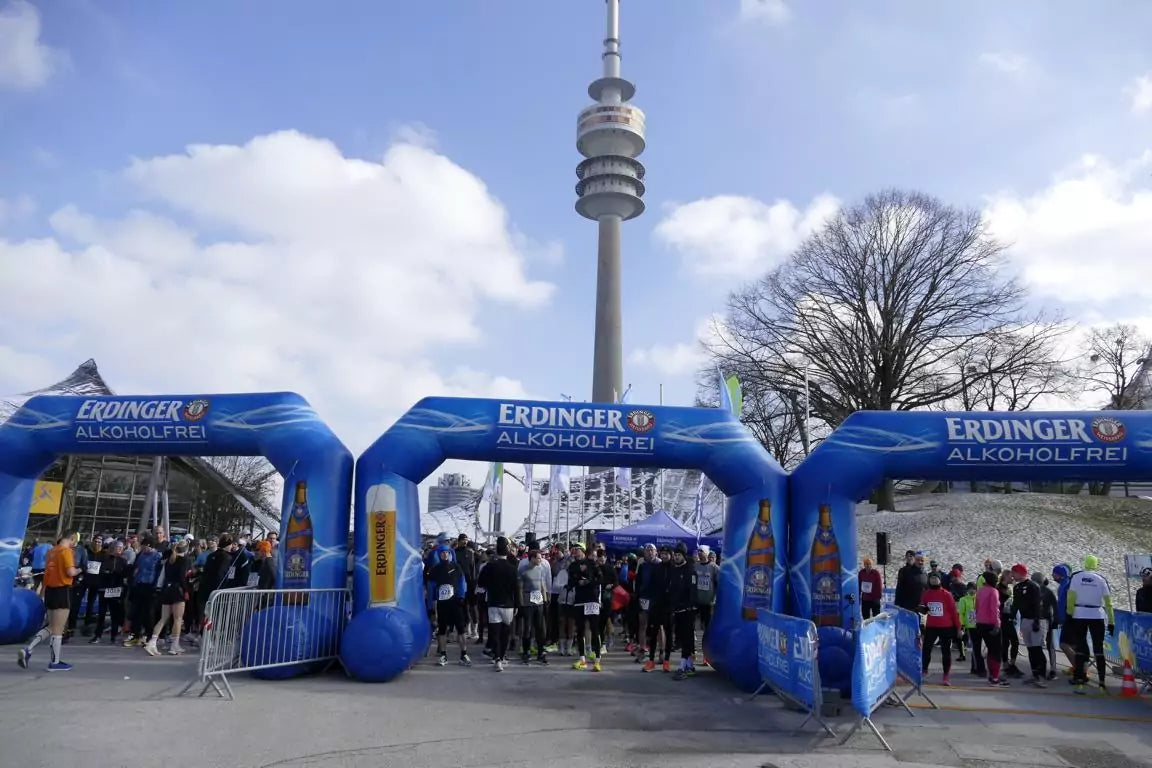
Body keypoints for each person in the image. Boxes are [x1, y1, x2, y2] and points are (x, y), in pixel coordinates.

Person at [19, 533, 81, 671]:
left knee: (52, 626)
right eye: (74, 541)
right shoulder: (66, 551)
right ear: (71, 539)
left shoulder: (51, 551)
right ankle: (54, 662)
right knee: (58, 628)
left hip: (51, 590)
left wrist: (42, 593)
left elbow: (47, 573)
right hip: (62, 590)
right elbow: (70, 572)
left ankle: (29, 650)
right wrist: (80, 569)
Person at [1066, 554, 1114, 694]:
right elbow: (1108, 602)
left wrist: (1069, 614)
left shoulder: (1076, 577)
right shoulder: (1101, 579)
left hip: (1079, 614)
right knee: (1098, 650)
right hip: (1096, 614)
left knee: (1080, 648)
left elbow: (1071, 597)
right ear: (1096, 564)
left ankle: (1080, 681)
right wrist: (1111, 622)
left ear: (1084, 563)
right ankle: (1101, 684)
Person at [426, 543, 471, 667]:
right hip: (442, 604)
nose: (445, 555)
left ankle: (464, 654)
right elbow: (431, 589)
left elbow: (463, 582)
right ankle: (443, 655)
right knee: (442, 630)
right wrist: (431, 607)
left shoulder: (456, 567)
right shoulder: (435, 570)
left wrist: (462, 596)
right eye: (442, 553)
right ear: (439, 555)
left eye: (447, 553)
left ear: (451, 554)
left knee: (461, 629)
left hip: (456, 602)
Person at [476, 537, 518, 671]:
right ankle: (503, 656)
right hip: (508, 604)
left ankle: (497, 658)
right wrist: (517, 604)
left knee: (494, 633)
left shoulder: (489, 566)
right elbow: (516, 588)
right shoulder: (512, 568)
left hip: (493, 603)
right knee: (505, 632)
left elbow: (481, 583)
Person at [147, 540, 192, 656]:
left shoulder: (170, 560)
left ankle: (152, 642)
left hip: (167, 589)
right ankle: (174, 645)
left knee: (163, 618)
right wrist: (186, 590)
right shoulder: (185, 560)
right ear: (186, 549)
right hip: (177, 590)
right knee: (178, 618)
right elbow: (182, 577)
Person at [566, 543, 603, 672]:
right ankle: (582, 659)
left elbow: (599, 579)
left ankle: (597, 660)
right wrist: (576, 582)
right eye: (573, 550)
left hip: (592, 600)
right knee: (580, 630)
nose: (575, 552)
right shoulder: (572, 566)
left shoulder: (592, 563)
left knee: (594, 629)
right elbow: (571, 581)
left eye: (577, 549)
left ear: (582, 551)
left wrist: (588, 581)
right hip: (579, 600)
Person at [920, 571, 961, 686]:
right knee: (926, 649)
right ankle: (924, 671)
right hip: (931, 626)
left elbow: (953, 612)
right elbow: (923, 610)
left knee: (946, 652)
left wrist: (958, 628)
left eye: (935, 578)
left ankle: (946, 675)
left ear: (940, 580)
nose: (933, 580)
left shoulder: (946, 594)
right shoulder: (926, 594)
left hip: (946, 627)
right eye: (931, 578)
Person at [1010, 564, 1047, 687]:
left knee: (1037, 649)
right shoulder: (1017, 587)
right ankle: (1034, 674)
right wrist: (1012, 616)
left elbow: (1038, 604)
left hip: (1036, 620)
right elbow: (1016, 603)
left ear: (1020, 573)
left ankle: (1041, 675)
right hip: (1025, 619)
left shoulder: (1033, 586)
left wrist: (1037, 620)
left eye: (1014, 572)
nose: (1012, 575)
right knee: (1030, 648)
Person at [666, 543, 698, 680]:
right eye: (676, 555)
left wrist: (691, 605)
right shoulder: (674, 570)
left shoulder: (690, 570)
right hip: (677, 609)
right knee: (681, 638)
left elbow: (692, 590)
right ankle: (690, 666)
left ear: (684, 556)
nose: (677, 557)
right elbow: (672, 589)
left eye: (679, 555)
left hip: (688, 610)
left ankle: (682, 665)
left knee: (687, 637)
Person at [89, 540, 129, 645]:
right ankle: (97, 635)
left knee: (114, 614)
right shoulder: (105, 559)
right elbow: (100, 573)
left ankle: (113, 636)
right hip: (104, 589)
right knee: (101, 614)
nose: (120, 550)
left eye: (121, 548)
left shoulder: (123, 561)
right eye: (118, 547)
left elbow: (125, 576)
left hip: (116, 590)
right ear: (113, 548)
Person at [518, 549, 550, 665]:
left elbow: (542, 585)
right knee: (528, 628)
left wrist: (545, 600)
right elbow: (520, 588)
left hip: (539, 602)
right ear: (531, 558)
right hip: (527, 602)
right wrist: (521, 603)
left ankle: (541, 652)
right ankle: (526, 652)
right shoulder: (523, 570)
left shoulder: (541, 569)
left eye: (541, 558)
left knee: (540, 628)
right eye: (538, 558)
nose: (540, 560)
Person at [976, 572, 1008, 686]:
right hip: (991, 623)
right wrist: (997, 624)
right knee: (996, 651)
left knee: (990, 649)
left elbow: (977, 606)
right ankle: (995, 677)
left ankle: (992, 674)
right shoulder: (993, 591)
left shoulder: (980, 590)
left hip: (980, 622)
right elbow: (994, 608)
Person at [957, 582, 983, 677]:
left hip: (979, 625)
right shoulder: (963, 600)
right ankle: (975, 668)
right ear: (967, 590)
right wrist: (962, 626)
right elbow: (961, 614)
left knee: (978, 648)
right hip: (970, 626)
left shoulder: (979, 599)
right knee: (974, 648)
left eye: (974, 589)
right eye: (970, 589)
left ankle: (975, 667)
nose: (972, 591)